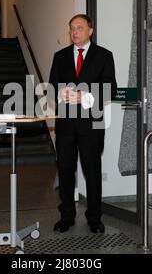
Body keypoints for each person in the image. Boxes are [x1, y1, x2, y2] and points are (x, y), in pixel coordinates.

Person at [49, 14, 117, 234]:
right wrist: (61, 93)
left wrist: (85, 97)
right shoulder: (59, 56)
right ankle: (66, 216)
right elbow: (51, 88)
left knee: (92, 172)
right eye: (71, 28)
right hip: (66, 125)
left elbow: (111, 88)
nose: (74, 31)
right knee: (66, 171)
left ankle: (94, 218)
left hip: (91, 125)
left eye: (79, 27)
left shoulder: (104, 56)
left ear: (90, 31)